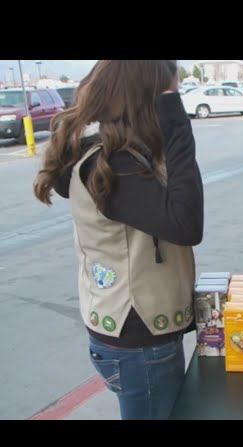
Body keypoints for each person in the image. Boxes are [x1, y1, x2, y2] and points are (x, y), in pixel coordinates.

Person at [33, 60, 204, 420]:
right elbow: (187, 224)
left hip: (128, 336)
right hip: (140, 346)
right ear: (148, 101)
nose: (174, 102)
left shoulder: (110, 156)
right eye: (169, 96)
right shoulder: (114, 167)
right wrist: (176, 122)